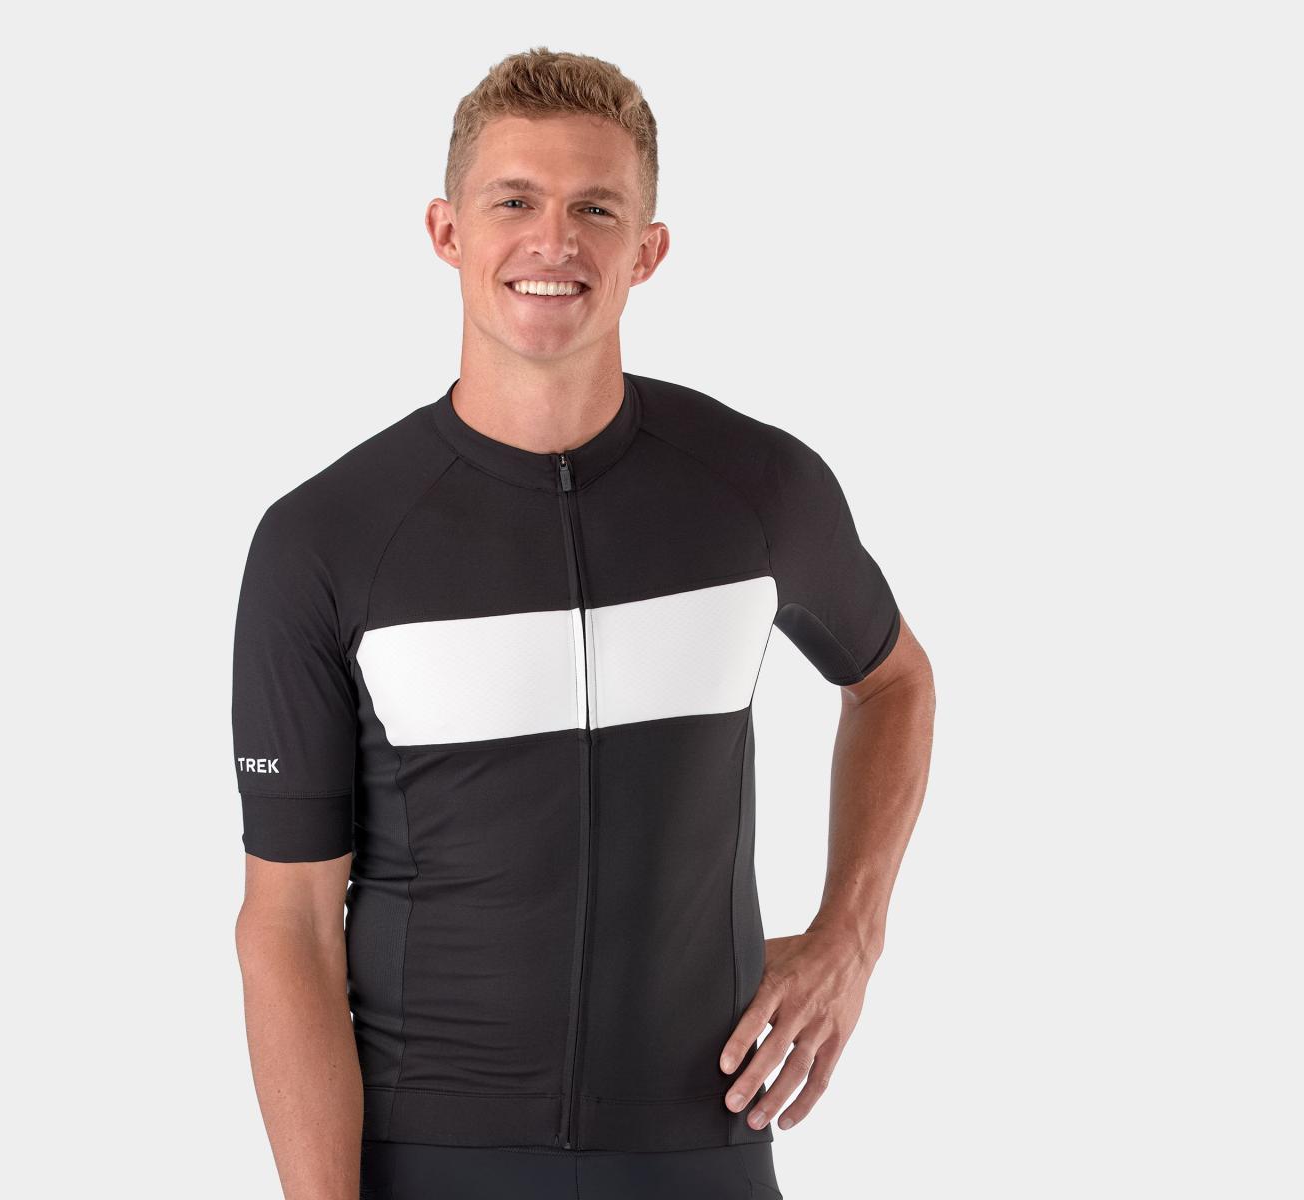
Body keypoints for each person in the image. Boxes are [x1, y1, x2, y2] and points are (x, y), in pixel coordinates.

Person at [230, 46, 936, 1200]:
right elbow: (288, 926)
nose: (552, 241)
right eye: (513, 201)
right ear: (446, 231)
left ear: (646, 250)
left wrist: (851, 934)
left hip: (700, 1148)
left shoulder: (757, 491)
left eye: (594, 209)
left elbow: (893, 681)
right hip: (432, 1156)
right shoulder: (326, 541)